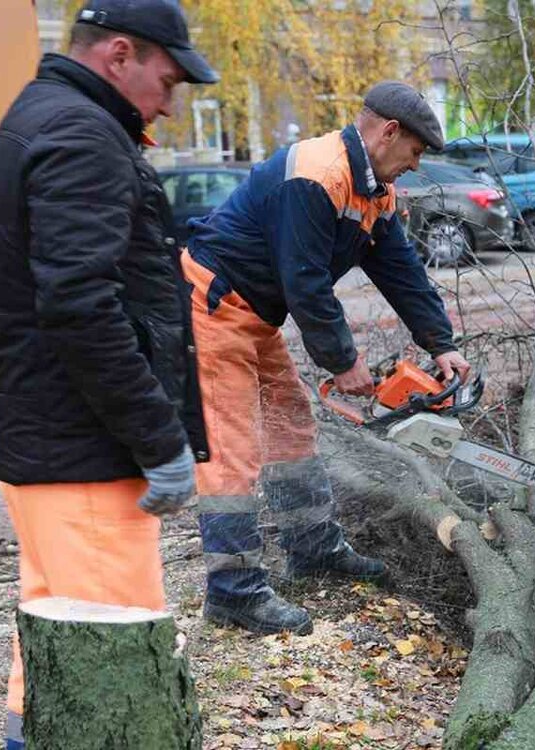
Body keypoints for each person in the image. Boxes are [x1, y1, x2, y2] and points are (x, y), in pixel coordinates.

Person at [0, 2, 217, 747]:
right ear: (119, 55)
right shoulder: (82, 135)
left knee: (56, 653)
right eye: (167, 81)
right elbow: (82, 307)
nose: (169, 105)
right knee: (109, 669)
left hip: (56, 448)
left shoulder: (44, 116)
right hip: (85, 455)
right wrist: (159, 438)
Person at [184, 81, 472, 636]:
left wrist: (442, 343)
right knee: (231, 450)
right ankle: (233, 591)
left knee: (292, 427)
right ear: (389, 132)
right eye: (414, 151)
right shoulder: (317, 175)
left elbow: (401, 269)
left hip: (255, 315)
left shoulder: (374, 190)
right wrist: (343, 360)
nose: (415, 165)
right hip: (213, 305)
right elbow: (305, 280)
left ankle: (312, 547)